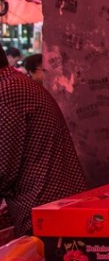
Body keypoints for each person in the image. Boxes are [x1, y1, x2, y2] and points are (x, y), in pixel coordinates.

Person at [0, 49, 87, 236]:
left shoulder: (6, 92)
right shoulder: (15, 83)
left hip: (44, 209)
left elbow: (3, 168)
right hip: (54, 205)